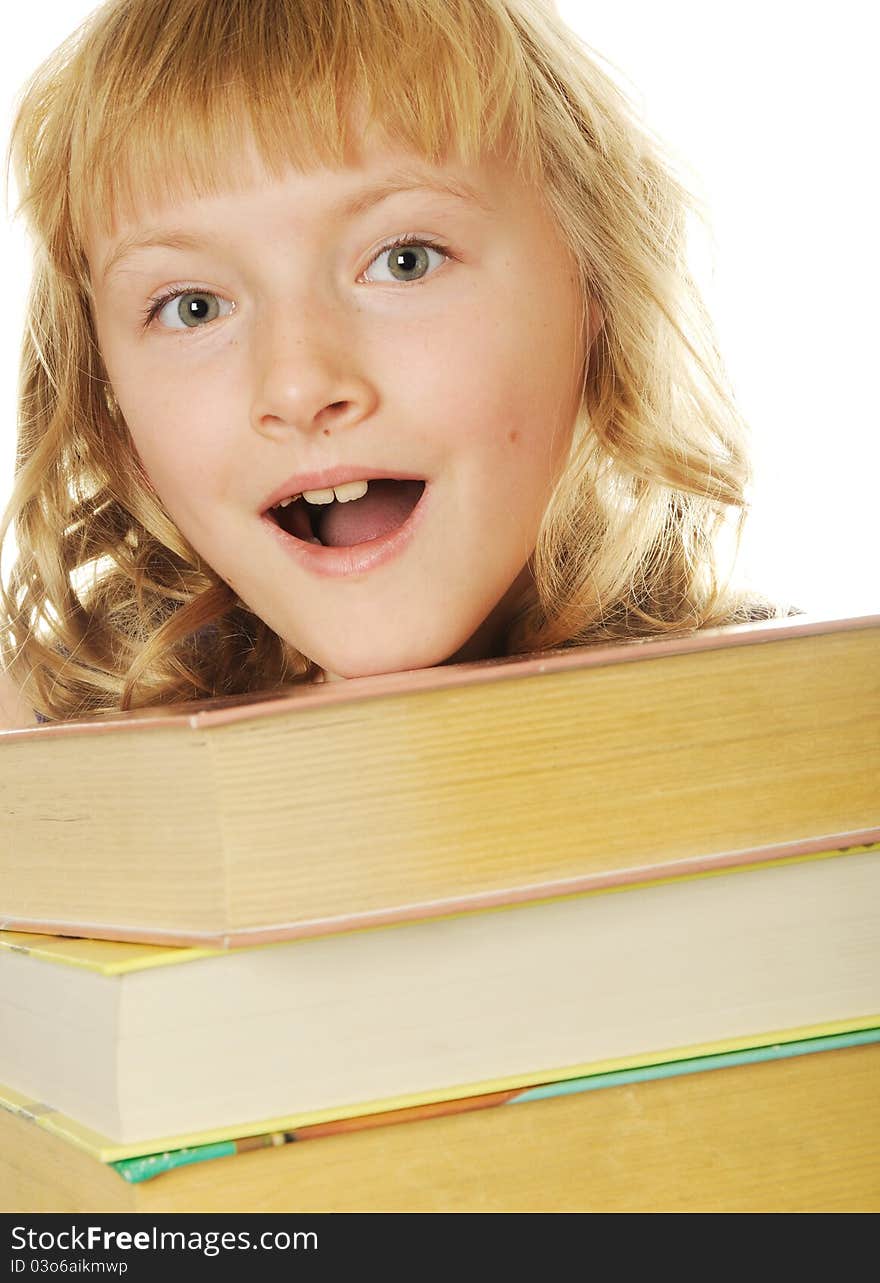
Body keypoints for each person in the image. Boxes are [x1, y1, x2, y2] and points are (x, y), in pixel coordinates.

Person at [0, 0, 792, 728]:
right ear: (104, 390)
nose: (299, 385)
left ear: (598, 283)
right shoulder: (38, 766)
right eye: (194, 307)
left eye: (405, 260)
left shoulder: (798, 721)